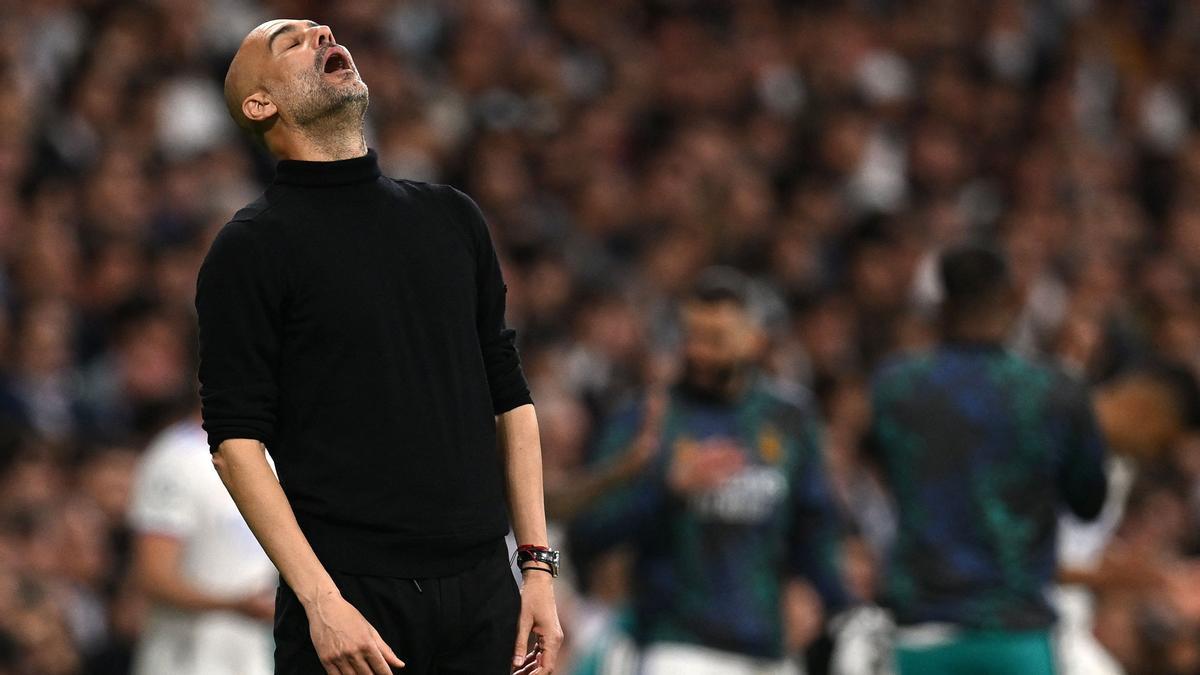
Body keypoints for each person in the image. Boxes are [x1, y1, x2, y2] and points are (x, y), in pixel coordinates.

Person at [194, 19, 562, 675]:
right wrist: (320, 598)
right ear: (260, 104)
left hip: (483, 591)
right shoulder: (250, 248)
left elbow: (511, 399)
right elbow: (234, 443)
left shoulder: (453, 217)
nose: (322, 34)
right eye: (293, 42)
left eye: (321, 30)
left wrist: (535, 564)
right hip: (353, 601)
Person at [569, 267, 851, 675]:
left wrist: (842, 609)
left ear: (755, 340)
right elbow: (587, 530)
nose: (700, 353)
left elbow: (814, 529)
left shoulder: (789, 419)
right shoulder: (649, 418)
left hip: (768, 650)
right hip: (678, 648)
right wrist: (666, 488)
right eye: (692, 337)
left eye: (716, 340)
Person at [867, 244, 1109, 675]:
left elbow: (884, 469)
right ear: (1013, 298)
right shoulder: (1054, 393)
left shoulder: (894, 387)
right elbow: (1089, 503)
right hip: (1016, 631)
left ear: (940, 306)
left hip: (923, 629)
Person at [127, 408, 277, 675]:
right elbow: (153, 575)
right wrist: (234, 604)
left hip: (252, 660)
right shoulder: (175, 457)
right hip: (184, 662)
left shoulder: (268, 457)